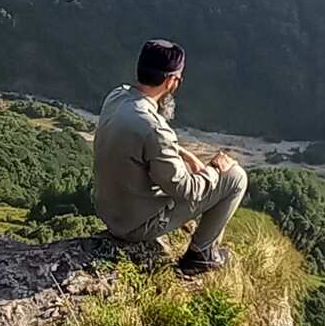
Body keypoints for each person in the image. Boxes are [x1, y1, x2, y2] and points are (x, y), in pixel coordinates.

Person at [93, 40, 248, 275]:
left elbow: (146, 139)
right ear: (171, 81)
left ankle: (199, 246)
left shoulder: (117, 97)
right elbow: (187, 191)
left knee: (191, 173)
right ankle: (201, 255)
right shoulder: (154, 129)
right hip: (135, 226)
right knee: (235, 177)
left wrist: (183, 154)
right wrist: (215, 168)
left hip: (108, 210)